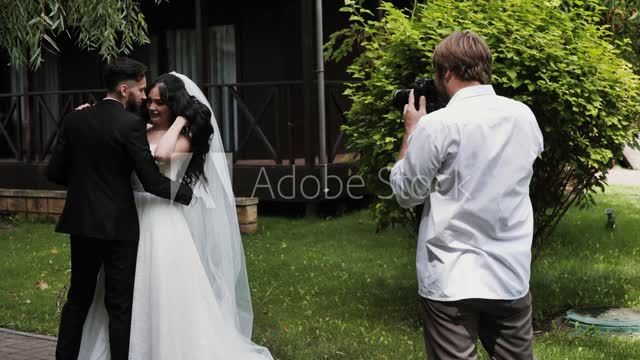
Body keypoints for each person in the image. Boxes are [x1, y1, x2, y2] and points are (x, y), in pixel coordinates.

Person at [76, 73, 273, 360]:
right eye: (151, 100)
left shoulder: (184, 139)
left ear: (176, 105)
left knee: (161, 287)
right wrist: (88, 116)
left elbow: (163, 154)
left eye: (161, 103)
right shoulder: (138, 128)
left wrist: (182, 119)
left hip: (162, 221)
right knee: (122, 292)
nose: (152, 107)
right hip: (128, 216)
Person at [389, 31, 544, 359]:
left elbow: (406, 193)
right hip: (510, 272)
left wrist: (411, 133)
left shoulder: (437, 126)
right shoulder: (523, 116)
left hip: (451, 277)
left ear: (446, 72)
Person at [47, 58, 194, 360]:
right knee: (119, 306)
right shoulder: (131, 125)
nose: (143, 97)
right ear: (124, 89)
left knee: (78, 298)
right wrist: (188, 194)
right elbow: (151, 181)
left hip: (83, 222)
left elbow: (55, 173)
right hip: (118, 227)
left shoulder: (75, 119)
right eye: (141, 90)